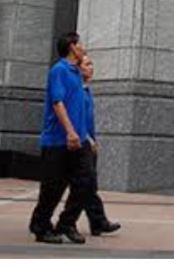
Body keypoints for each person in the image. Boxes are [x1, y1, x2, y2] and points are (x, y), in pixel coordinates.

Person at [29, 32, 93, 245]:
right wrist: (70, 132)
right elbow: (58, 103)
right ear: (72, 47)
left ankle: (66, 223)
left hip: (79, 140)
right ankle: (40, 226)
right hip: (58, 140)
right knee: (52, 188)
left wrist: (85, 137)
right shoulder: (59, 70)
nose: (83, 47)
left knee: (85, 182)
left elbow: (79, 108)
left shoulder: (77, 73)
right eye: (80, 43)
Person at [60, 55, 120, 237]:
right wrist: (87, 138)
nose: (91, 67)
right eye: (87, 64)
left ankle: (97, 221)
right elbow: (74, 118)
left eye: (91, 63)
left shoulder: (86, 90)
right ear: (78, 69)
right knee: (83, 183)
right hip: (80, 143)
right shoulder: (76, 90)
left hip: (88, 143)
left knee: (89, 184)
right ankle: (67, 222)